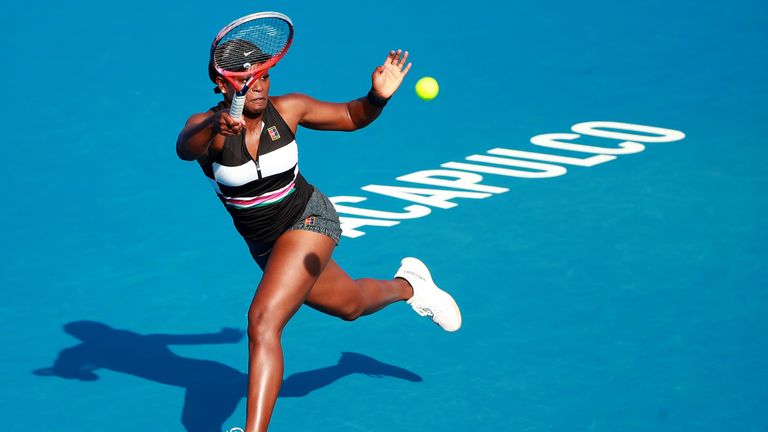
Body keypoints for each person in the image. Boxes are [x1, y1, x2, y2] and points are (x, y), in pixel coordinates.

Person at [176, 41, 462, 432]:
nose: (257, 86)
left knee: (263, 322)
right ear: (221, 85)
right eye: (245, 80)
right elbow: (185, 148)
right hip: (266, 247)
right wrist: (215, 124)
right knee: (351, 306)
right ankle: (410, 286)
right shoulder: (206, 128)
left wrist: (376, 98)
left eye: (263, 75)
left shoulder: (289, 108)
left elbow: (349, 115)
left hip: (309, 219)